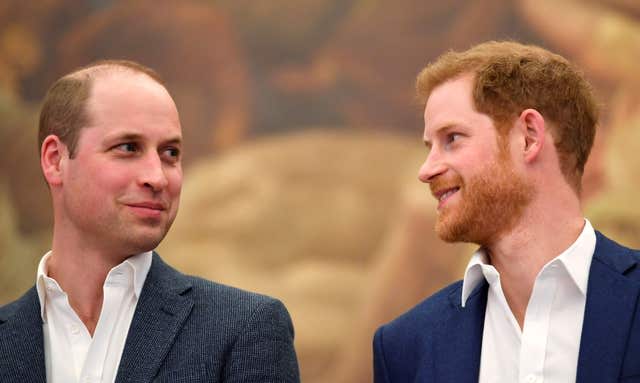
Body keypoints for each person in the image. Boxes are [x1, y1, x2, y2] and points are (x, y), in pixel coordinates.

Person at [0, 60, 300, 383]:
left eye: (170, 153)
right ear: (55, 160)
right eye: (128, 148)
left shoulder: (245, 330)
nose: (157, 177)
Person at [372, 41, 640, 382]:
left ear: (528, 138)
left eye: (452, 138)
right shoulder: (405, 345)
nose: (426, 169)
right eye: (430, 146)